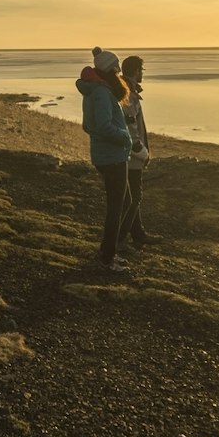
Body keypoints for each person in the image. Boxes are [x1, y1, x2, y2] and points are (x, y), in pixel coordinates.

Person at [76, 47, 134, 271]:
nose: (119, 74)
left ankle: (108, 251)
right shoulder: (100, 92)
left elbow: (88, 125)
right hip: (112, 157)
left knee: (124, 203)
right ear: (110, 70)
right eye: (117, 69)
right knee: (117, 207)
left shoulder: (98, 90)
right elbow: (102, 125)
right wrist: (125, 137)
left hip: (109, 155)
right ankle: (107, 258)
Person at [119, 54, 153, 248]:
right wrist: (142, 152)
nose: (143, 74)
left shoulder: (128, 91)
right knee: (134, 197)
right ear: (135, 71)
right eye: (141, 70)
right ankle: (121, 238)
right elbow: (131, 128)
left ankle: (137, 233)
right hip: (131, 156)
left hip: (130, 154)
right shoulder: (128, 94)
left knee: (132, 196)